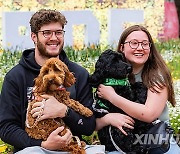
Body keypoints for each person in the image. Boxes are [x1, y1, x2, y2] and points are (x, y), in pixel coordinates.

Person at [0, 9, 96, 153]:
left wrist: (64, 111)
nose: (54, 38)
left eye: (58, 32)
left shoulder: (79, 74)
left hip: (71, 147)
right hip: (34, 149)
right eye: (46, 33)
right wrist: (42, 144)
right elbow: (6, 127)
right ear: (34, 36)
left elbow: (89, 126)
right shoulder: (16, 77)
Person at [96, 25, 180, 153]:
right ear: (121, 47)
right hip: (120, 143)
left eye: (145, 44)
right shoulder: (109, 76)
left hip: (154, 141)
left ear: (150, 48)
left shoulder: (157, 76)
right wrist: (108, 119)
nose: (140, 48)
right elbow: (93, 123)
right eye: (134, 43)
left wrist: (112, 97)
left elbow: (148, 114)